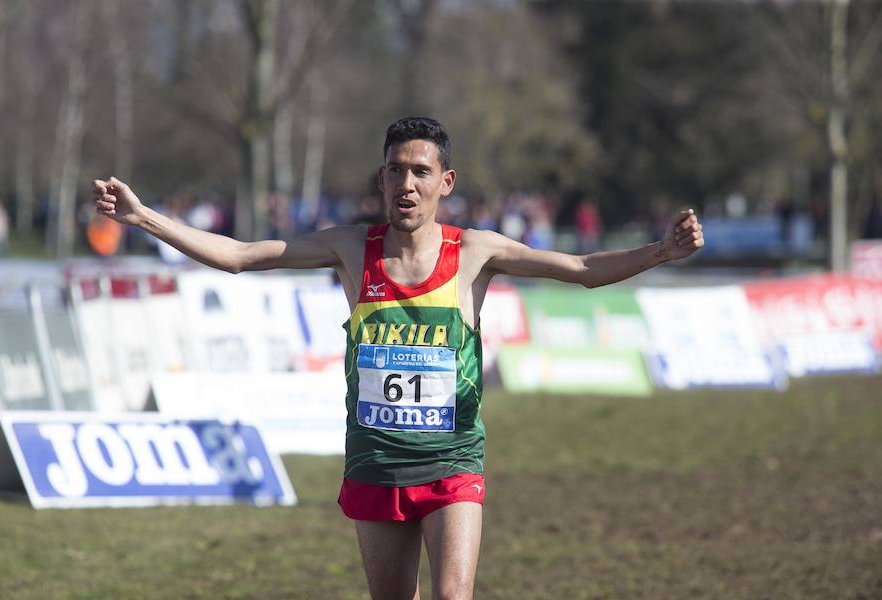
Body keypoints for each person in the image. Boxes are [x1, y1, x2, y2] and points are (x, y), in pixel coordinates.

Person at [92, 116, 704, 600]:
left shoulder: (476, 253)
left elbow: (579, 270)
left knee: (453, 592)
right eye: (394, 172)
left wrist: (660, 252)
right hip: (377, 463)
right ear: (381, 181)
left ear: (446, 182)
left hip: (452, 463)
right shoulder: (349, 248)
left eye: (420, 171)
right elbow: (242, 256)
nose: (406, 184)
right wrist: (144, 217)